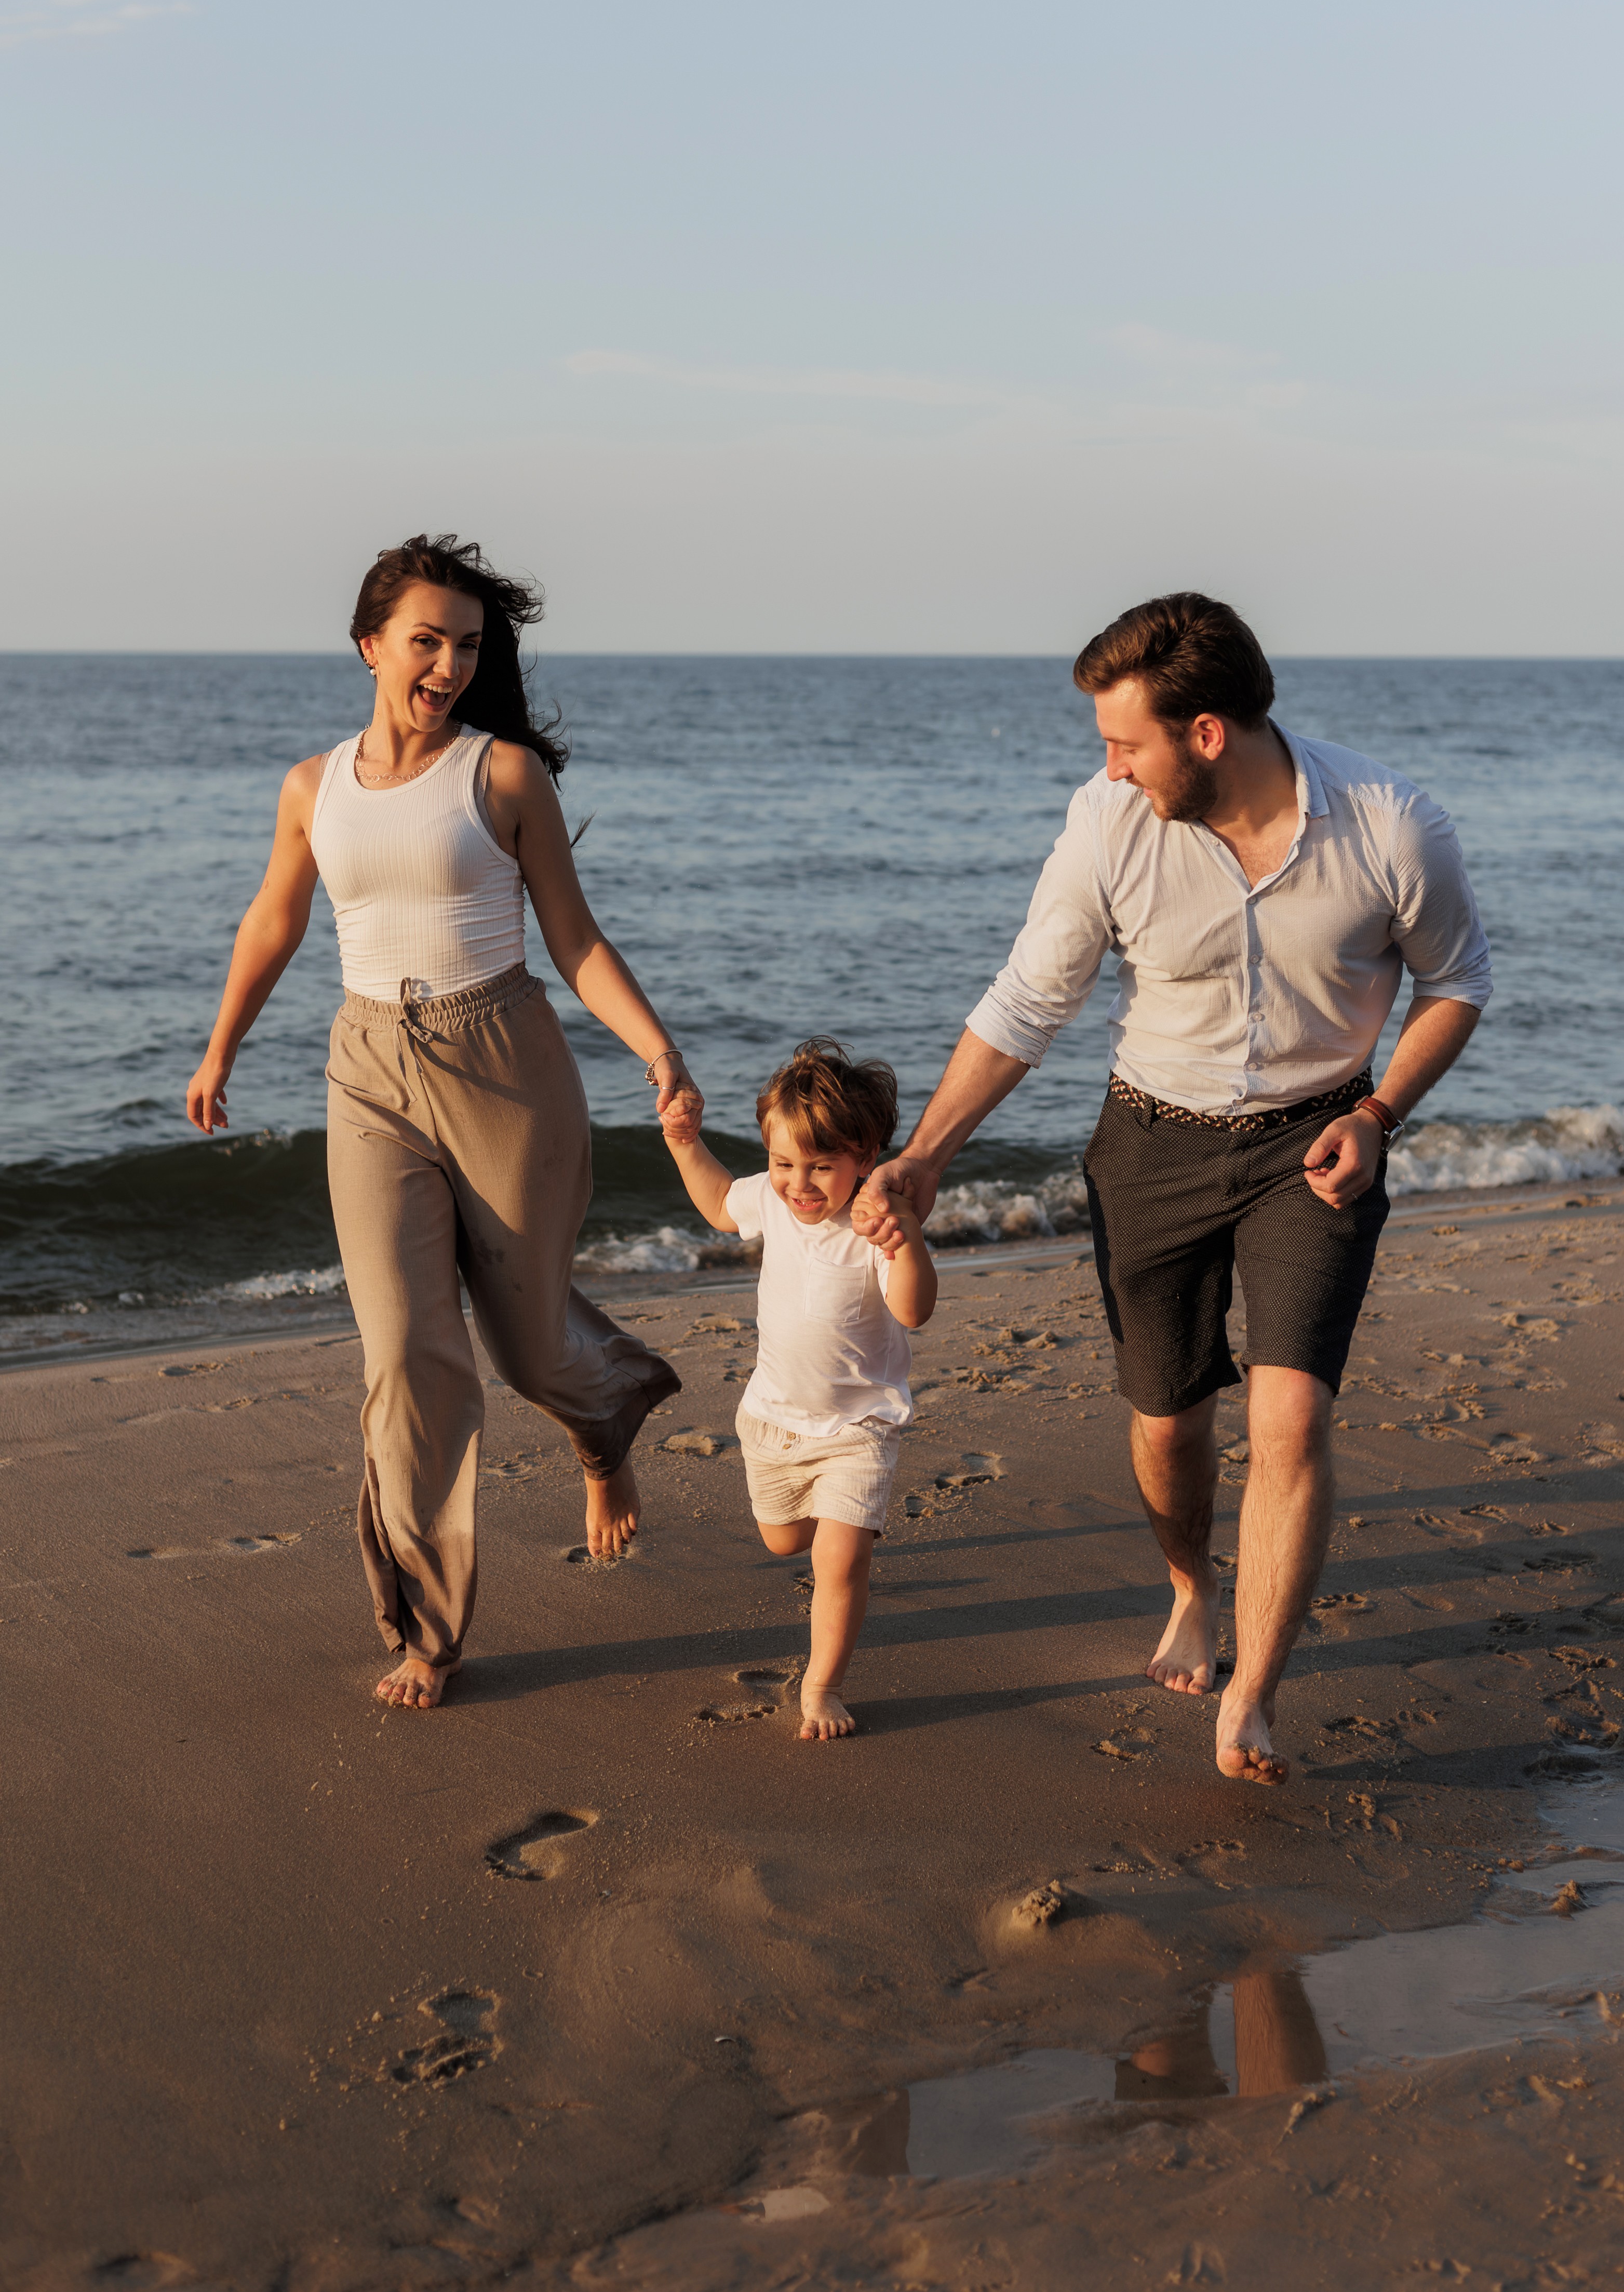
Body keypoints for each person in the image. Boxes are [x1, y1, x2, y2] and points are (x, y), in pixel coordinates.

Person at [856, 592, 1491, 1784]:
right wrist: (926, 1154)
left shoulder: (1392, 826)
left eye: (1124, 742)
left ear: (1205, 732)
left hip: (1317, 1144)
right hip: (1150, 1142)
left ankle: (1251, 1695)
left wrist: (1377, 1112)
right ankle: (1190, 1587)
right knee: (1167, 1419)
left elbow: (1454, 981)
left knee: (1290, 1415)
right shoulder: (1108, 826)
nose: (1108, 766)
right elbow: (1026, 1002)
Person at [186, 534, 700, 1709]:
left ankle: (602, 1416)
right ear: (371, 645)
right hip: (367, 1067)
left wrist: (657, 1047)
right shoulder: (313, 787)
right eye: (428, 640)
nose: (449, 663)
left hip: (507, 1060)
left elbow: (573, 936)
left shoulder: (503, 775)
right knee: (410, 1355)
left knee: (525, 1346)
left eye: (468, 644)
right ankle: (427, 1625)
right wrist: (222, 1046)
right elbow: (273, 920)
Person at [659, 1038, 937, 1740]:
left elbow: (914, 1310)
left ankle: (822, 1685)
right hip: (775, 1420)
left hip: (858, 1428)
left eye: (821, 1165)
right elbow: (722, 1202)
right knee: (783, 1540)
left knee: (840, 1560)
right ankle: (829, 1522)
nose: (799, 1182)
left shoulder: (873, 1222)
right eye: (784, 1162)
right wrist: (686, 1143)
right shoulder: (775, 1202)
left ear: (866, 1156)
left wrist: (907, 1242)